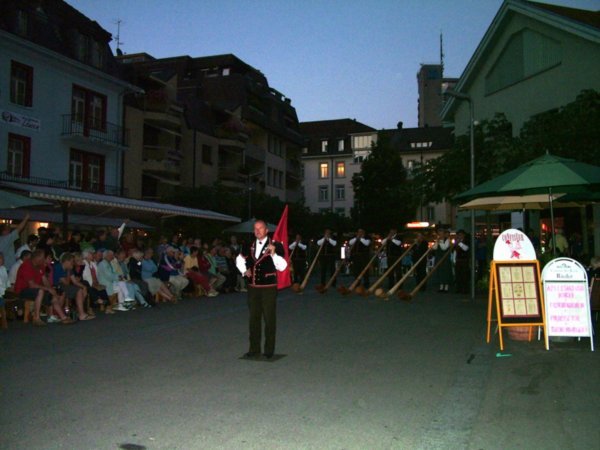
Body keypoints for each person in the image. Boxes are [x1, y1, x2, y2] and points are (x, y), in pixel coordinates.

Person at [236, 219, 287, 359]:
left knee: (269, 319)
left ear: (266, 230)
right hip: (253, 287)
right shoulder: (248, 245)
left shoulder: (276, 245)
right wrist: (244, 270)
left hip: (268, 287)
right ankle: (254, 349)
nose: (257, 231)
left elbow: (282, 266)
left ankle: (269, 350)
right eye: (255, 228)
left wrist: (273, 254)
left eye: (260, 228)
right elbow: (239, 259)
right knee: (254, 319)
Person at [14, 249, 73, 325]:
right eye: (42, 259)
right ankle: (36, 318)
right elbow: (32, 285)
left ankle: (63, 317)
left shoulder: (40, 266)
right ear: (37, 258)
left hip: (35, 289)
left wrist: (51, 289)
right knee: (40, 291)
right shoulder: (26, 266)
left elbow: (44, 279)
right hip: (23, 290)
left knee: (52, 295)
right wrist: (48, 289)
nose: (44, 261)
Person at [53, 253, 95, 320]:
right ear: (66, 261)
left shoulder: (69, 268)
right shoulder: (59, 267)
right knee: (78, 290)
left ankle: (80, 312)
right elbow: (66, 283)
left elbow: (75, 281)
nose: (73, 263)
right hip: (58, 286)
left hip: (65, 286)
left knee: (82, 289)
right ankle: (81, 314)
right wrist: (69, 272)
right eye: (72, 261)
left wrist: (84, 287)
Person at [433, 228, 452, 293]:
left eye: (441, 234)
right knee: (440, 272)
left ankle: (446, 287)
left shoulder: (447, 240)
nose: (440, 235)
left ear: (443, 234)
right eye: (439, 234)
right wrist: (437, 242)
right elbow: (434, 248)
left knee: (446, 272)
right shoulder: (438, 240)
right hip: (438, 258)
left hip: (445, 259)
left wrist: (440, 242)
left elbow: (444, 248)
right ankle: (441, 287)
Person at [453, 230, 470, 294]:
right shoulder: (456, 242)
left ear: (463, 235)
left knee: (464, 275)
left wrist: (459, 243)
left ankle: (465, 289)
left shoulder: (466, 241)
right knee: (458, 275)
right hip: (458, 260)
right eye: (458, 235)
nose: (459, 236)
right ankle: (459, 289)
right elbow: (455, 251)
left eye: (460, 235)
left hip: (464, 260)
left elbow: (466, 248)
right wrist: (454, 260)